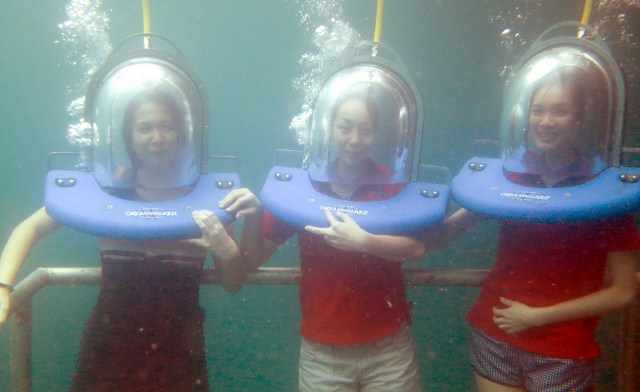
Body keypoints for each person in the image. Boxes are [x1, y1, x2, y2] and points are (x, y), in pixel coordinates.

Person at [0, 88, 248, 392]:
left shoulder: (210, 198)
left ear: (182, 132)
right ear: (129, 137)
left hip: (180, 351)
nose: (157, 137)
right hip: (108, 347)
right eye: (145, 128)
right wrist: (2, 287)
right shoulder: (109, 188)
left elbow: (233, 284)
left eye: (166, 126)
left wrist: (227, 251)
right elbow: (30, 228)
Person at [428, 70, 639, 392]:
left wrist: (539, 316)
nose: (546, 121)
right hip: (495, 331)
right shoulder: (509, 177)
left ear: (578, 118)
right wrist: (378, 232)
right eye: (538, 110)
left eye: (559, 110)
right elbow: (446, 234)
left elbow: (624, 291)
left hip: (563, 347)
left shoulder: (605, 190)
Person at [222, 89, 426, 391]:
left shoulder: (392, 182)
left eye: (365, 130)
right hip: (322, 353)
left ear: (375, 133)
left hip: (389, 348)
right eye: (345, 127)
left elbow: (416, 248)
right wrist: (255, 214)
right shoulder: (303, 187)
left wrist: (364, 241)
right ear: (328, 128)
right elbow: (252, 258)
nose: (355, 139)